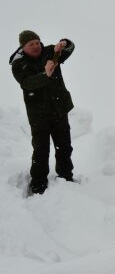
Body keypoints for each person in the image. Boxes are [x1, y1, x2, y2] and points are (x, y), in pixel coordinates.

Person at [9, 30, 76, 195]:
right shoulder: (19, 64)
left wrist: (64, 43)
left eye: (37, 42)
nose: (35, 46)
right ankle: (38, 186)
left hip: (59, 109)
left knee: (64, 147)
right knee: (41, 151)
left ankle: (66, 178)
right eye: (31, 44)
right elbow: (27, 83)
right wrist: (45, 74)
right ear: (23, 47)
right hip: (39, 116)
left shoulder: (50, 52)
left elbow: (70, 49)